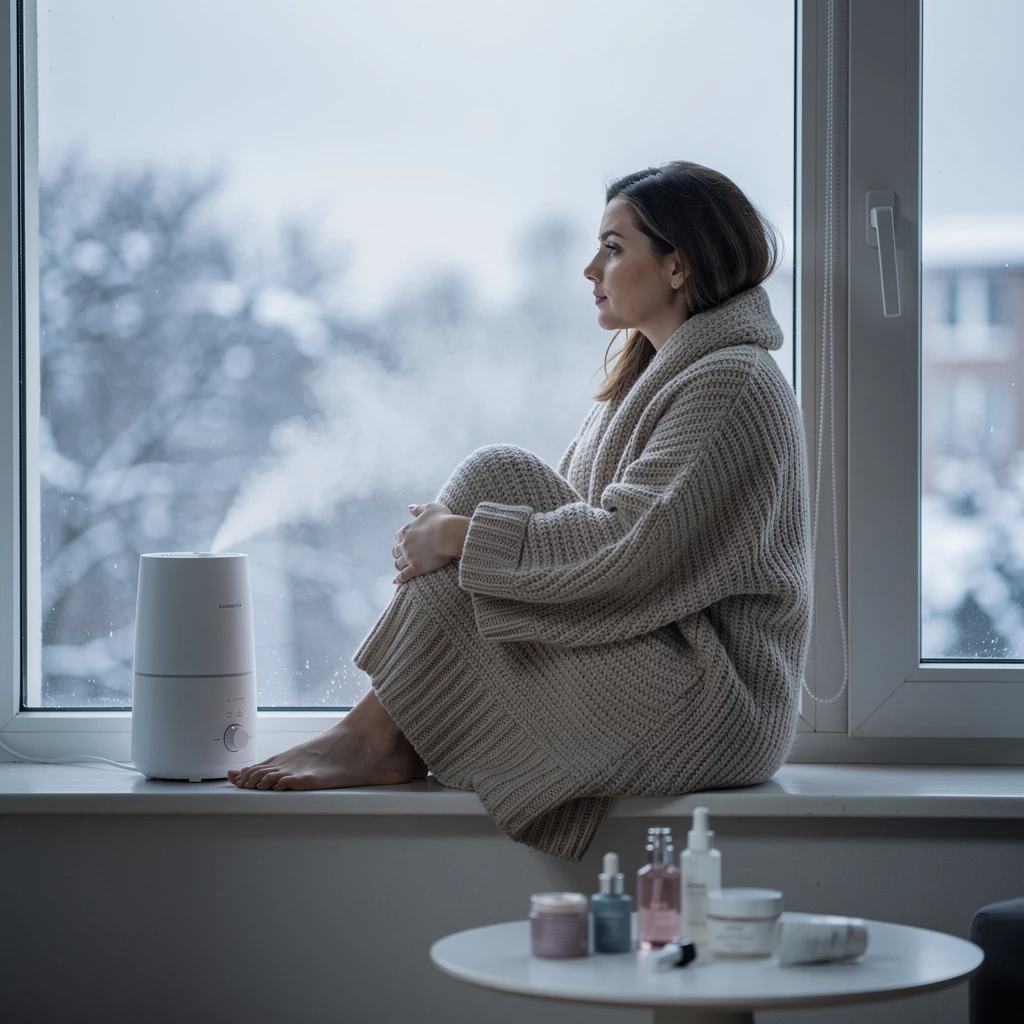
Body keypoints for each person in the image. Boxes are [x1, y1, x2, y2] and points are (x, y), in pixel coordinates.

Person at [228, 160, 812, 863]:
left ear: (677, 265)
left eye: (614, 248)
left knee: (494, 475)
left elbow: (630, 547)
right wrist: (462, 537)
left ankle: (378, 735)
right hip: (660, 659)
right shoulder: (659, 376)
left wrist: (456, 535)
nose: (590, 269)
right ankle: (382, 732)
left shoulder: (733, 380)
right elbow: (575, 541)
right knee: (494, 482)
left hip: (716, 703)